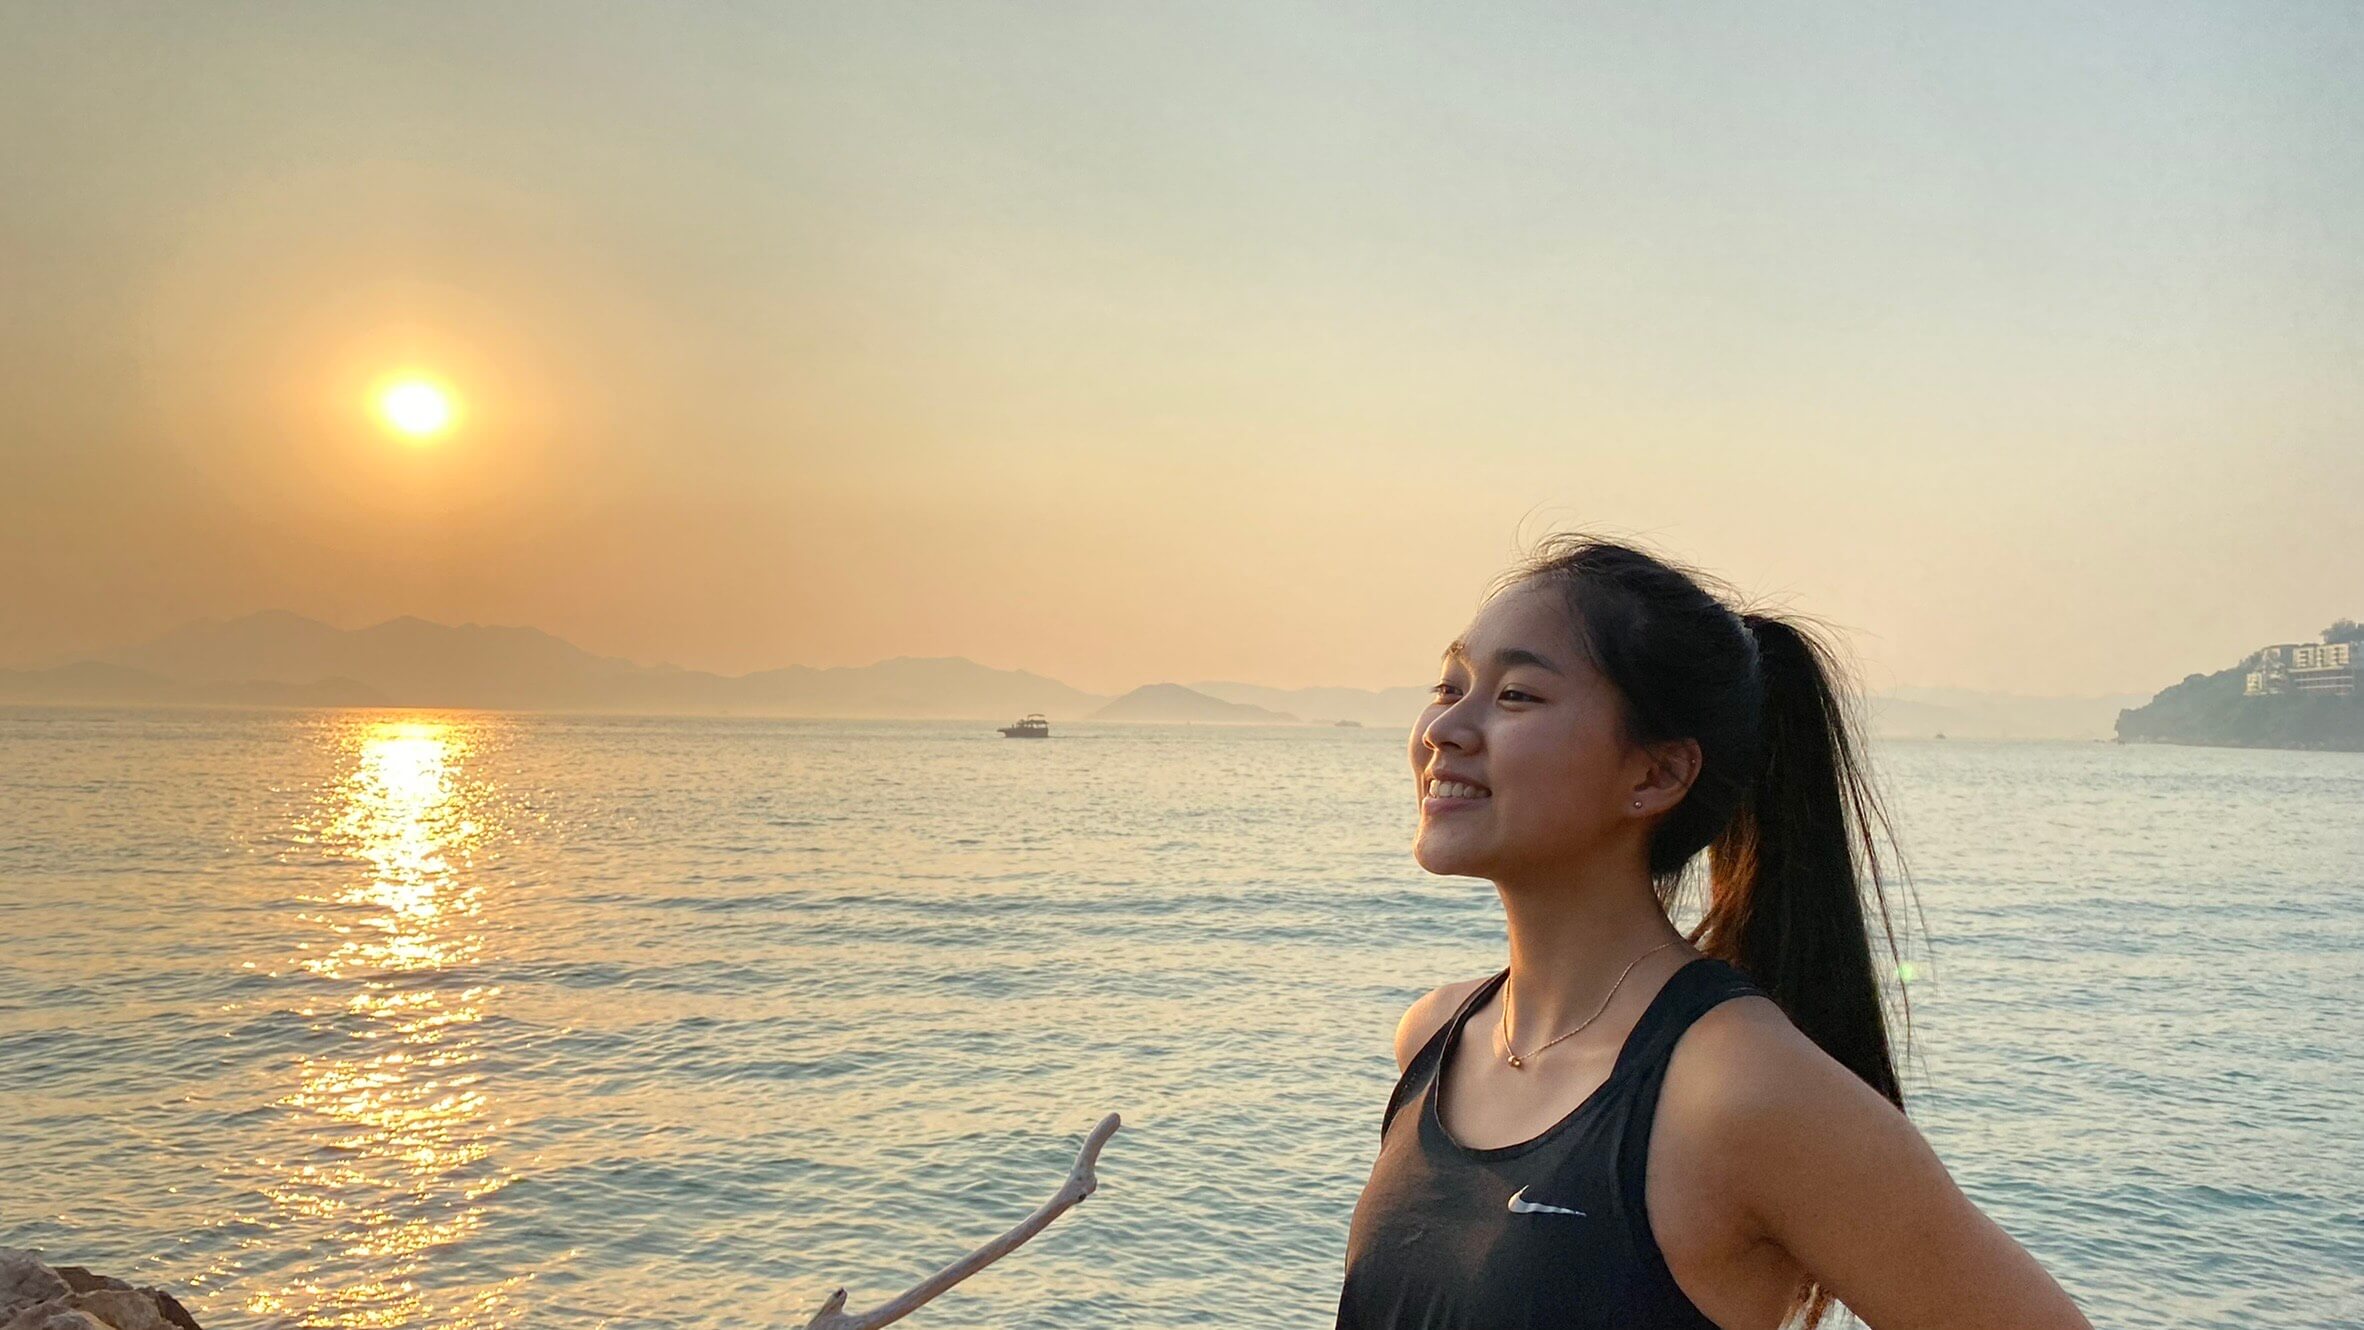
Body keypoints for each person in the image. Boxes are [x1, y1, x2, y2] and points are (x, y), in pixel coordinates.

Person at [1333, 533, 2092, 1329]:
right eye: (1447, 685)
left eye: (1517, 694)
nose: (1444, 728)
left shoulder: (1738, 1091)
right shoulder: (1433, 1041)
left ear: (1657, 774)